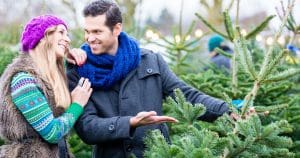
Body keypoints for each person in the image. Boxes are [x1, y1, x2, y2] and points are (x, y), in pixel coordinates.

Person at [67, 1, 232, 157]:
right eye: (87, 31)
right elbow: (87, 127)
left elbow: (187, 96)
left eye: (97, 31)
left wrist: (229, 110)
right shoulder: (79, 69)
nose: (89, 38)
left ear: (116, 29)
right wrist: (130, 123)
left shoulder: (150, 60)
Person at [0, 15, 92, 158]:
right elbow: (52, 133)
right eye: (61, 32)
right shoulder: (23, 80)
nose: (68, 39)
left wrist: (71, 56)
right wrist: (77, 105)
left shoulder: (46, 78)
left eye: (67, 35)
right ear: (43, 37)